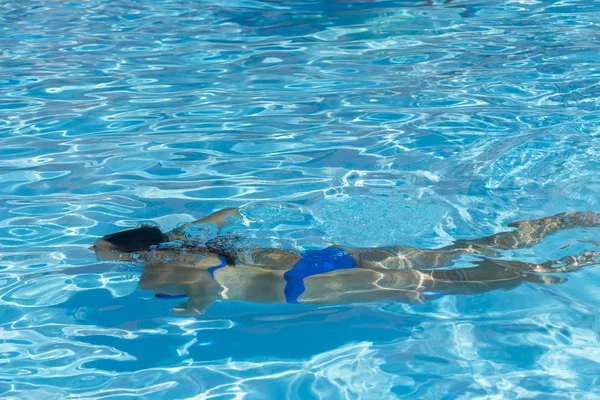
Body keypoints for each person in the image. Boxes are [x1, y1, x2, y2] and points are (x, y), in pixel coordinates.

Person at [90, 209, 600, 314]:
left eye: (103, 252)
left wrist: (193, 310)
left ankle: (574, 261)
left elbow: (204, 287)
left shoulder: (152, 273)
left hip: (303, 287)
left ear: (129, 255)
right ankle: (558, 224)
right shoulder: (180, 242)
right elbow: (230, 214)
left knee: (449, 282)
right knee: (457, 250)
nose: (98, 255)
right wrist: (173, 233)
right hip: (320, 257)